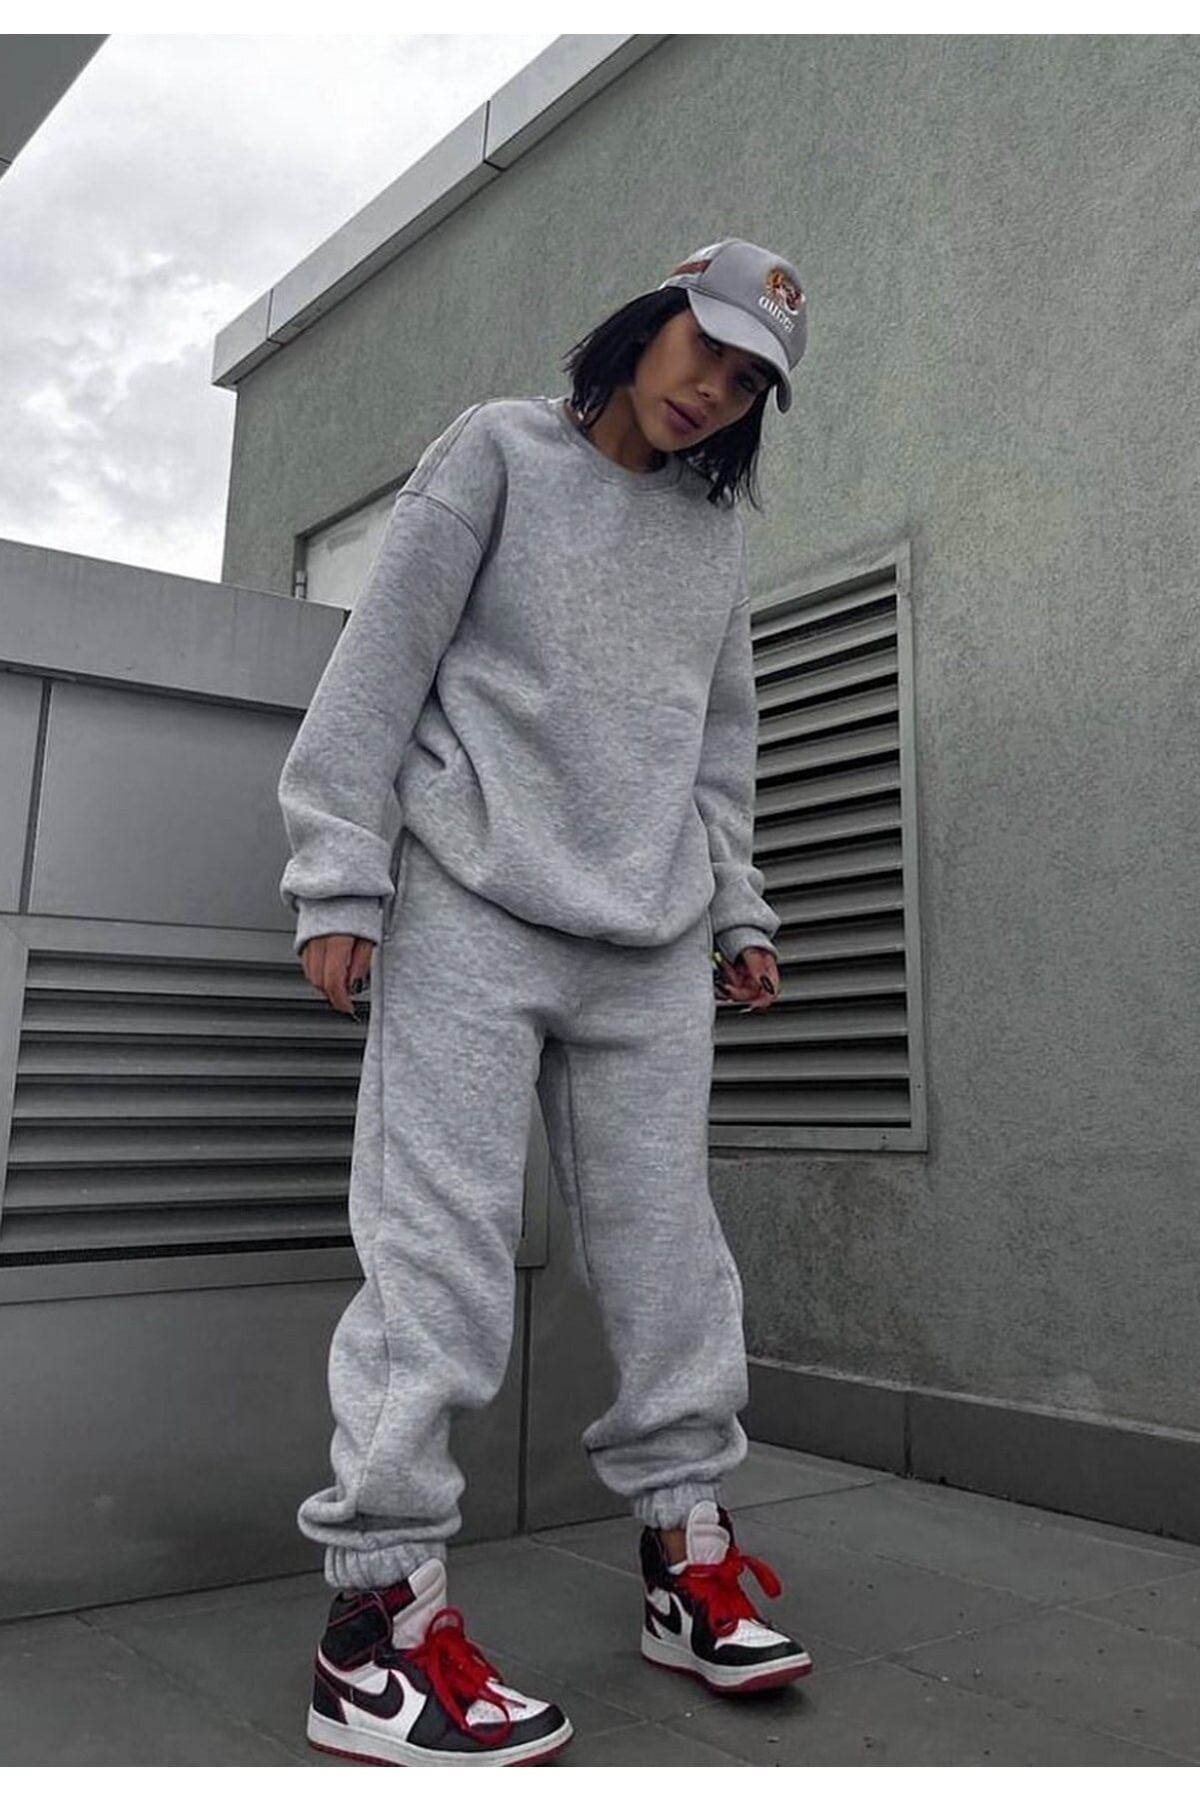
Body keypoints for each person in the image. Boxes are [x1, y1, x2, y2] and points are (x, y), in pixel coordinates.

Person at [278, 237, 813, 1768]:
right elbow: (381, 665)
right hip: (471, 902)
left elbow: (718, 747)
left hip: (652, 936)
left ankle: (685, 1558)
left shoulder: (711, 542)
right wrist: (337, 874)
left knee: (669, 1259)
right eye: (704, 348)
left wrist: (740, 907)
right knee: (435, 1252)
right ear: (648, 322)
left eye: (749, 382)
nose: (714, 391)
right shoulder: (498, 453)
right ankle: (376, 1631)